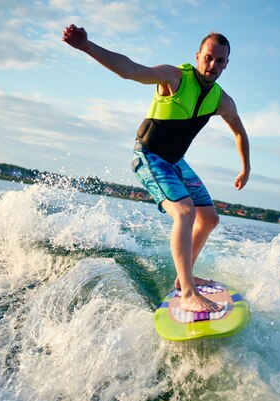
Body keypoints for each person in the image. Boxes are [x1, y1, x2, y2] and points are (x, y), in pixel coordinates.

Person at [62, 24, 250, 313]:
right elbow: (129, 69)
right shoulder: (173, 77)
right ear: (198, 55)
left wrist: (245, 168)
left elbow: (239, 131)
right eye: (208, 57)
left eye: (220, 61)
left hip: (175, 161)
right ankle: (188, 293)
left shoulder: (222, 100)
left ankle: (181, 278)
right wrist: (87, 46)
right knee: (186, 212)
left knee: (209, 218)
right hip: (148, 155)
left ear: (227, 64)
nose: (212, 65)